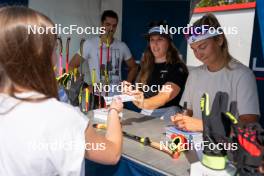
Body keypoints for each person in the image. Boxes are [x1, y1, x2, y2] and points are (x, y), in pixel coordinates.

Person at [0, 6, 123, 175]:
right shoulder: (63, 118)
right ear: (42, 55)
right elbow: (112, 153)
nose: (57, 56)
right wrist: (114, 110)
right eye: (54, 48)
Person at [171, 13, 260, 132]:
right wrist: (182, 118)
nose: (198, 54)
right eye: (194, 49)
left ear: (219, 40)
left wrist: (203, 125)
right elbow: (188, 110)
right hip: (195, 145)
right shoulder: (194, 74)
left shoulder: (243, 75)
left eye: (202, 47)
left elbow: (249, 125)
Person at [123, 21, 188, 119]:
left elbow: (164, 96)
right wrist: (130, 91)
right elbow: (139, 92)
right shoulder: (145, 65)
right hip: (146, 110)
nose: (155, 44)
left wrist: (143, 103)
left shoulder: (177, 67)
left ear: (169, 42)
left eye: (160, 39)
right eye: (152, 40)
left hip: (169, 114)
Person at [69, 10, 138, 95]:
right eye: (108, 25)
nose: (111, 29)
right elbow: (72, 65)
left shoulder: (122, 46)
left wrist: (127, 83)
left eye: (114, 26)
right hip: (97, 98)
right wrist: (83, 86)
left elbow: (134, 67)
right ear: (102, 24)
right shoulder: (90, 44)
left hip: (117, 98)